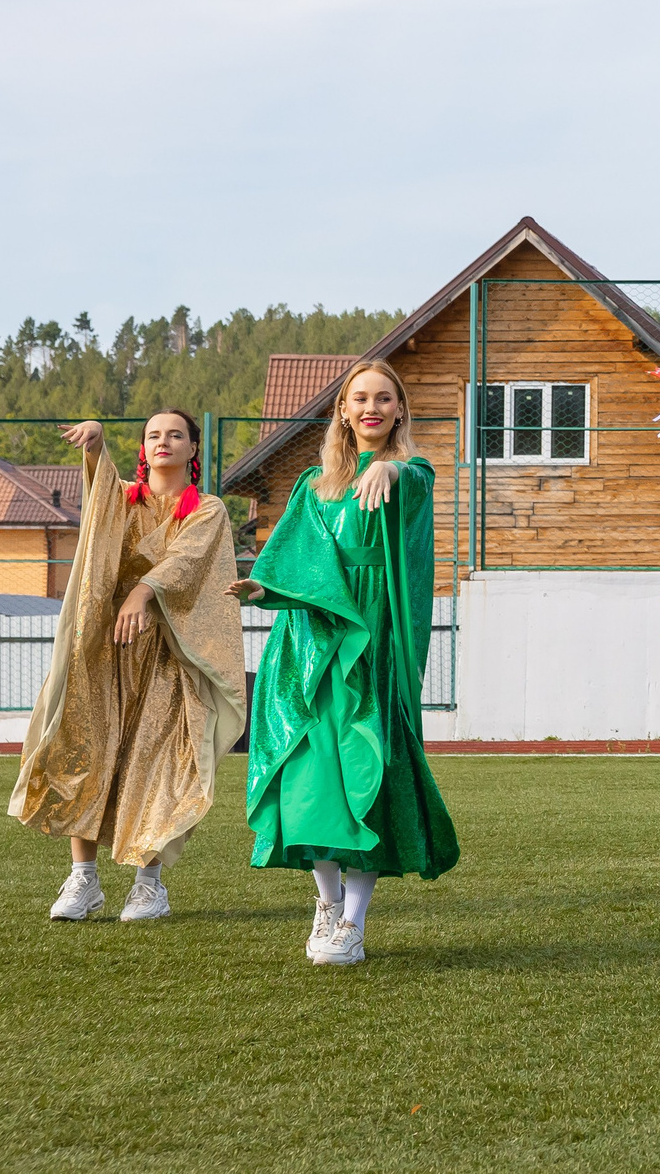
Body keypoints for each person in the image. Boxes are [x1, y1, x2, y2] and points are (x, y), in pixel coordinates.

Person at [237, 358, 460, 966]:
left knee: (369, 772)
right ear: (342, 409)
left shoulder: (412, 473)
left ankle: (355, 922)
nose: (371, 408)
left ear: (399, 410)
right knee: (314, 779)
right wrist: (262, 590)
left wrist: (389, 468)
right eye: (360, 397)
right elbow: (291, 560)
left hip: (373, 643)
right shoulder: (313, 485)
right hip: (312, 644)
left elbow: (413, 493)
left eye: (384, 398)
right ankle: (327, 906)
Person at [9, 412, 246, 923]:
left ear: (193, 448)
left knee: (157, 762)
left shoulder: (208, 510)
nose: (164, 441)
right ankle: (83, 879)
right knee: (85, 746)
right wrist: (94, 448)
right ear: (142, 446)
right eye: (153, 434)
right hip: (104, 651)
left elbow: (185, 562)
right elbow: (99, 508)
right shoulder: (121, 498)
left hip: (167, 655)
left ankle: (148, 885)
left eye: (175, 434)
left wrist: (142, 592)